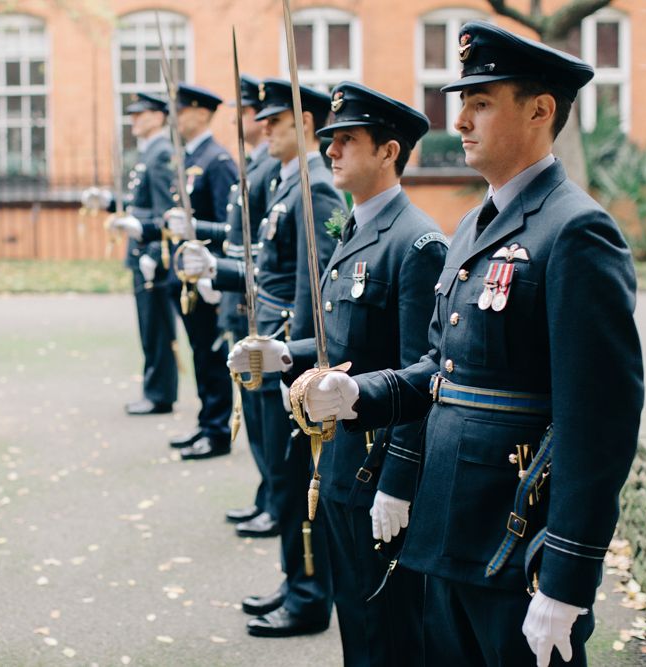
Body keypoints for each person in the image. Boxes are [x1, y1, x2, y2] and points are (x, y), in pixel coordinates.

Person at [298, 22, 644, 667]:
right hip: (446, 532)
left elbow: (599, 421)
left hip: (518, 544)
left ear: (540, 110)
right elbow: (440, 370)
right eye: (463, 102)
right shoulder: (472, 228)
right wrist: (358, 392)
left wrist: (567, 577)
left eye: (481, 102)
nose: (459, 120)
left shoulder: (575, 232)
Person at [229, 82, 449, 665]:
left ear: (389, 151)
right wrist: (280, 354)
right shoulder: (357, 227)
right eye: (328, 139)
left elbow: (418, 374)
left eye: (348, 140)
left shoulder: (415, 240)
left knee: (387, 628)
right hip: (340, 457)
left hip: (377, 466)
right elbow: (340, 345)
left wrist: (398, 483)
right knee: (357, 617)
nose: (330, 151)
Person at [181, 78, 342, 637]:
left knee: (296, 481)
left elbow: (308, 289)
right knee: (281, 471)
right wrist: (220, 271)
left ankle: (308, 595)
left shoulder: (313, 187)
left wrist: (291, 358)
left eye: (275, 120)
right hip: (268, 342)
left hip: (284, 348)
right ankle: (293, 581)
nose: (263, 128)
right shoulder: (289, 183)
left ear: (307, 124)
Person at [82, 92, 178, 415]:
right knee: (148, 326)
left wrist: (153, 250)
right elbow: (140, 204)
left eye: (142, 114)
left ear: (158, 117)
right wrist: (110, 201)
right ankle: (155, 390)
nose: (134, 119)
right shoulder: (149, 152)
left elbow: (165, 212)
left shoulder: (162, 153)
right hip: (140, 252)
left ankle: (160, 394)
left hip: (151, 256)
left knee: (156, 327)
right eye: (133, 114)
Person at [219, 75, 282, 527]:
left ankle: (275, 502)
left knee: (266, 420)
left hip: (262, 307)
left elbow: (271, 256)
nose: (252, 121)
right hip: (245, 301)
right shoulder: (255, 163)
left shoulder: (273, 170)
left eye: (258, 114)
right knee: (256, 418)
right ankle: (267, 495)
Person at [163, 84, 238, 460]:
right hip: (189, 276)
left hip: (208, 276)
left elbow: (231, 225)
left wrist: (216, 276)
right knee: (199, 352)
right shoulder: (190, 157)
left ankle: (217, 429)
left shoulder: (217, 160)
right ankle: (207, 421)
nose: (174, 117)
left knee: (210, 353)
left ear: (201, 114)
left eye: (181, 110)